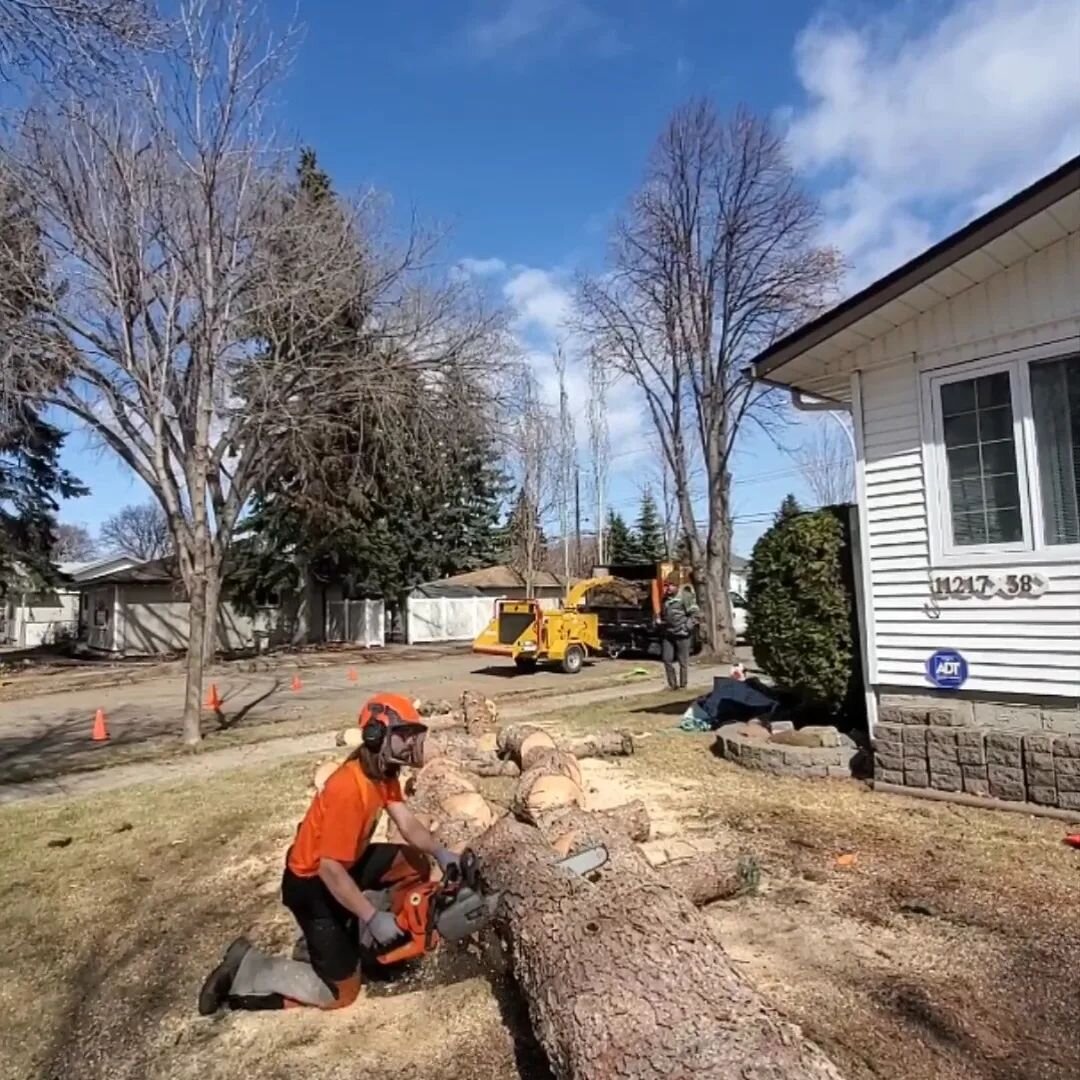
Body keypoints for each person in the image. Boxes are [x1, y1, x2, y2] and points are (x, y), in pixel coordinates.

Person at [198, 692, 459, 1015]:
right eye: (404, 734)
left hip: (348, 863)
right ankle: (247, 968)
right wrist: (372, 916)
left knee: (412, 862)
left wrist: (440, 851)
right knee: (340, 994)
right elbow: (328, 869)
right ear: (376, 735)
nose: (410, 743)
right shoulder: (348, 786)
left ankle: (380, 945)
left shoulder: (383, 773)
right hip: (313, 886)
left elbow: (405, 822)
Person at [660, 581, 699, 690]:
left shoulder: (685, 597)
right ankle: (672, 685)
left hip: (682, 633)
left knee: (683, 661)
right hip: (669, 633)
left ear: (677, 586)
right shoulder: (665, 599)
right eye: (666, 585)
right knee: (667, 659)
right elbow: (665, 615)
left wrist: (686, 627)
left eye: (671, 585)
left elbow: (695, 614)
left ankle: (683, 685)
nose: (668, 588)